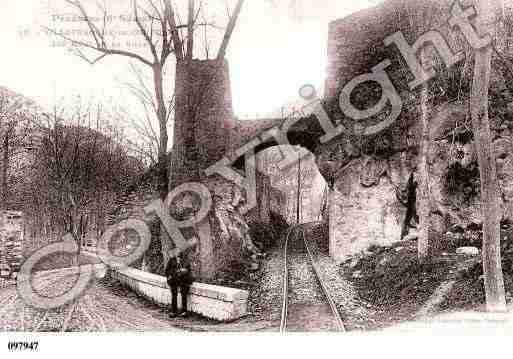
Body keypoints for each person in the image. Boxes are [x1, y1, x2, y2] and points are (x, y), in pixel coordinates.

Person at [165, 251, 193, 318]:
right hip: (174, 280)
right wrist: (172, 274)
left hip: (183, 280)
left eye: (179, 254)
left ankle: (184, 311)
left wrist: (184, 270)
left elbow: (189, 270)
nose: (178, 255)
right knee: (174, 295)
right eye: (176, 253)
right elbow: (167, 271)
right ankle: (174, 311)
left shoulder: (185, 260)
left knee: (184, 294)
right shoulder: (171, 260)